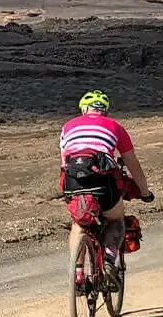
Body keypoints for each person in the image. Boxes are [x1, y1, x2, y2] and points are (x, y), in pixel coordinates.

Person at [59, 90, 153, 278]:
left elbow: (64, 162)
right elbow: (132, 162)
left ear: (84, 110)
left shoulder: (68, 127)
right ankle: (110, 259)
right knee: (116, 218)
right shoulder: (115, 127)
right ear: (105, 111)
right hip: (103, 181)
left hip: (73, 181)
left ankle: (77, 274)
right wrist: (145, 191)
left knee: (79, 224)